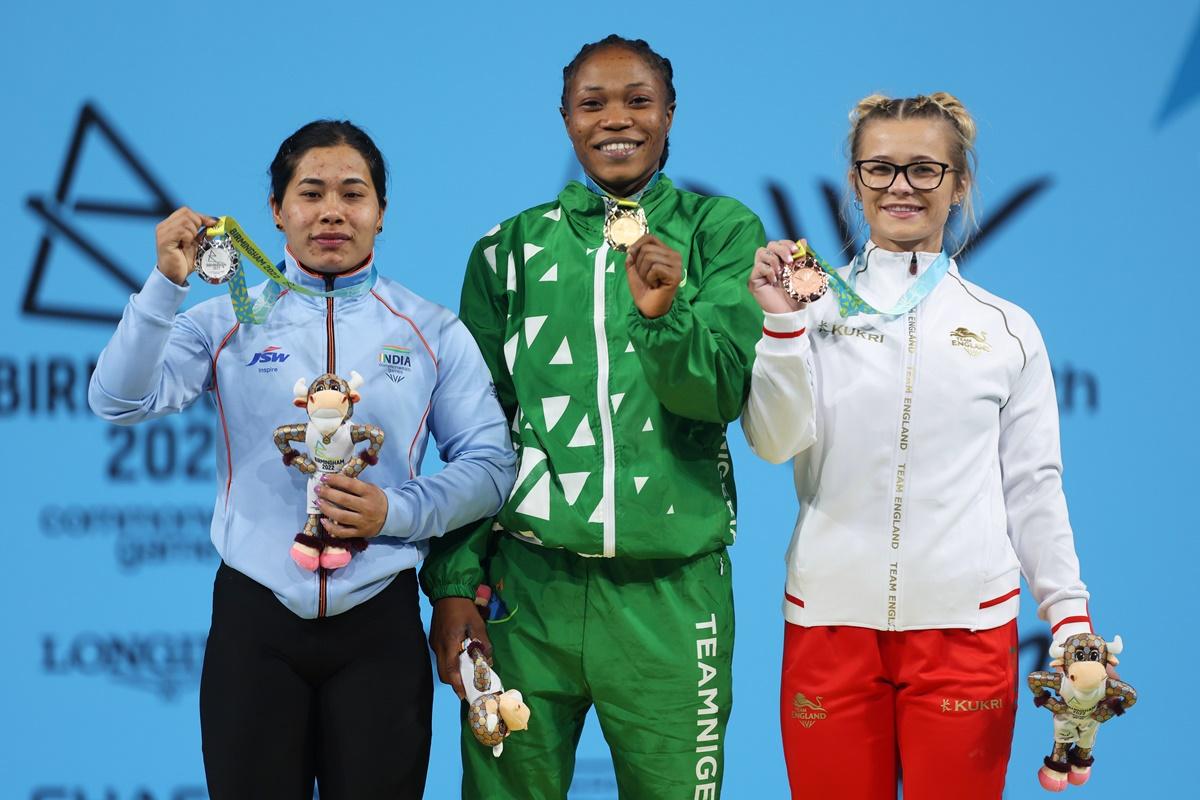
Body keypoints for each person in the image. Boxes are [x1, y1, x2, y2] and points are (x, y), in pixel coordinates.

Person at [87, 120, 516, 800]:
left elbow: (491, 465)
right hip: (256, 623)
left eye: (354, 193)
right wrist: (166, 286)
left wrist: (396, 512)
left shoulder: (430, 330)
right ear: (276, 213)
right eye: (310, 193)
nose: (332, 212)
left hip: (379, 621)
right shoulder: (222, 319)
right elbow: (117, 400)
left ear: (381, 213)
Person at [420, 35, 765, 799]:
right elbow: (478, 434)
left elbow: (717, 396)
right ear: (565, 117)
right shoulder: (506, 249)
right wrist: (453, 584)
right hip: (524, 599)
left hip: (671, 603)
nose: (617, 119)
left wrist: (664, 316)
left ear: (670, 113)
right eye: (593, 102)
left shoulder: (720, 232)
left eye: (639, 100)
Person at [742, 92, 1094, 799]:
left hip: (966, 634)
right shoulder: (811, 303)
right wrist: (780, 330)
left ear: (959, 183)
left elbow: (1032, 485)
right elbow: (772, 443)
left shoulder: (1006, 328)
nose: (900, 186)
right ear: (854, 181)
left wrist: (1070, 614)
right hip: (829, 629)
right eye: (880, 169)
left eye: (925, 170)